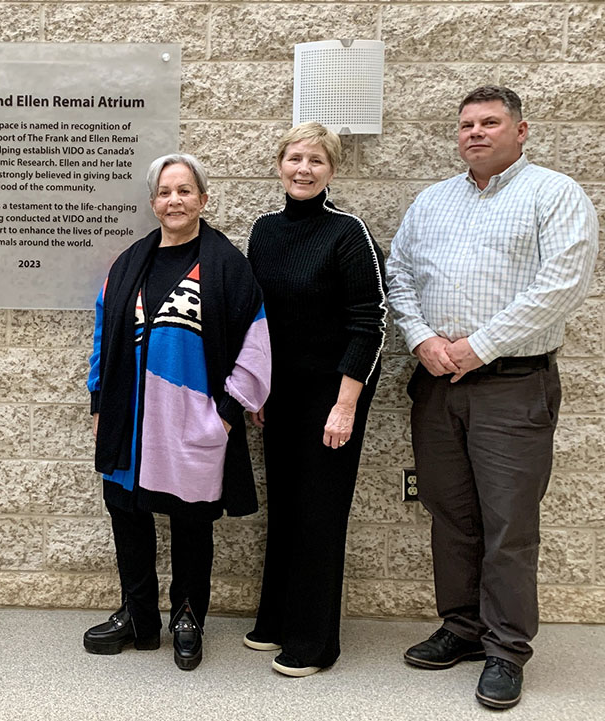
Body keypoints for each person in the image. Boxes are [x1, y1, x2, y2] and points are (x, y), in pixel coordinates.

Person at [387, 86, 597, 710]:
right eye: (466, 125)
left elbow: (560, 285)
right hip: (436, 382)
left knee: (509, 523)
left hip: (512, 383)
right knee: (449, 512)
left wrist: (477, 346)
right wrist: (423, 338)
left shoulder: (554, 194)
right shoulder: (432, 201)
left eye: (490, 122)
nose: (475, 133)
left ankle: (506, 650)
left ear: (521, 130)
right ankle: (461, 627)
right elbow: (397, 272)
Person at [84, 153, 271, 672]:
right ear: (153, 203)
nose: (175, 200)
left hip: (194, 423)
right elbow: (104, 337)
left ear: (203, 199)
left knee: (191, 523)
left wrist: (228, 414)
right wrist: (100, 402)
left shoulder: (227, 266)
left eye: (185, 191)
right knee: (127, 513)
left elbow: (256, 346)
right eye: (165, 192)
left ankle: (188, 617)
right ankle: (138, 616)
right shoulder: (128, 263)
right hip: (129, 418)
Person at [244, 121, 388, 677]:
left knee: (319, 513)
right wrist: (255, 389)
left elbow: (369, 322)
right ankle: (277, 620)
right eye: (295, 158)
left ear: (332, 170)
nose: (304, 169)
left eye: (317, 161)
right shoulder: (264, 231)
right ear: (280, 164)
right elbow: (259, 321)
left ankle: (314, 642)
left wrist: (346, 403)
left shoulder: (348, 233)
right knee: (284, 504)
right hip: (281, 393)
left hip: (334, 394)